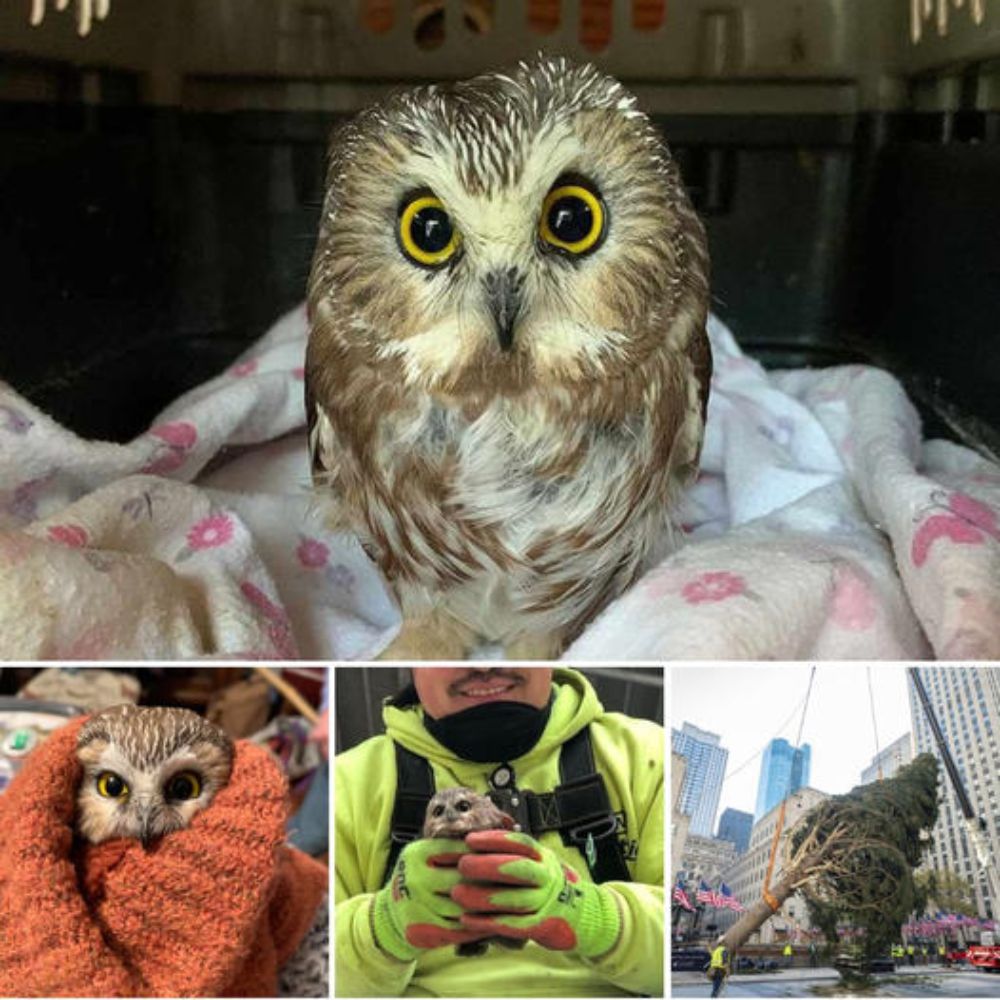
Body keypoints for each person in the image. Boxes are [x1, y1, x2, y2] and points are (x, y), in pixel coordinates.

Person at [335, 667, 663, 997]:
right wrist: (382, 929)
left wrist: (595, 917)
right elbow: (310, 961)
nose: (482, 666)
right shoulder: (347, 783)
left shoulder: (647, 754)